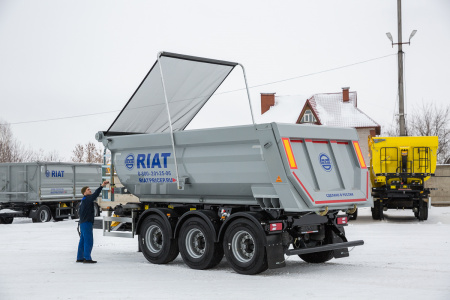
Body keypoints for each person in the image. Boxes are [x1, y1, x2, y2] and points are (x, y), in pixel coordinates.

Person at [76, 180, 109, 264]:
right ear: (84, 193)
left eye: (89, 189)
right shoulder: (87, 199)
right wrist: (102, 186)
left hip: (83, 223)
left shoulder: (83, 200)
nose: (89, 190)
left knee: (82, 241)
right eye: (87, 189)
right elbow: (95, 195)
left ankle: (80, 257)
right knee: (88, 240)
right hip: (86, 223)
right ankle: (87, 258)